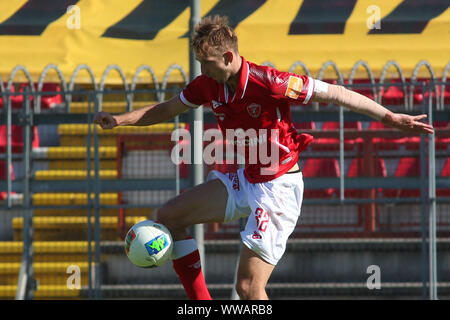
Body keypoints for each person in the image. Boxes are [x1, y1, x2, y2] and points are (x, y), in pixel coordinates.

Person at [94, 15, 434, 300]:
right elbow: (167, 108)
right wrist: (119, 120)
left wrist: (389, 117)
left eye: (208, 64)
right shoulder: (207, 85)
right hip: (244, 178)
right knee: (170, 215)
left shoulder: (269, 82)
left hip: (278, 187)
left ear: (228, 57)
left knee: (248, 287)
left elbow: (336, 93)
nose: (204, 71)